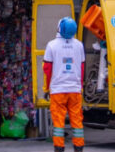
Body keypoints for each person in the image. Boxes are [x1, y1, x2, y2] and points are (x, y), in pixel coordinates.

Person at [43, 17, 85, 152]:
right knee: (77, 121)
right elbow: (82, 68)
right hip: (75, 89)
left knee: (58, 122)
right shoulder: (79, 45)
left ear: (59, 28)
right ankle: (78, 147)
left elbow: (47, 69)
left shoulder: (51, 45)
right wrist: (80, 86)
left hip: (58, 90)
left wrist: (46, 88)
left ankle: (59, 148)